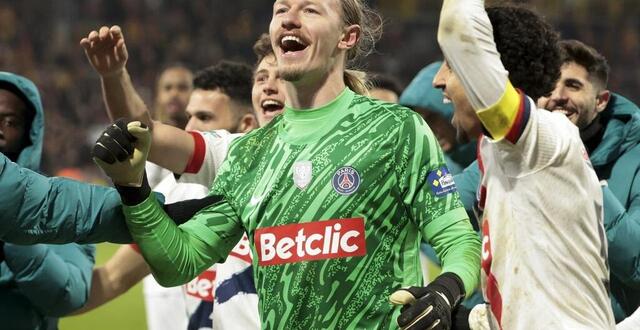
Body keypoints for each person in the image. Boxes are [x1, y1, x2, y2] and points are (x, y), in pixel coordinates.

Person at [89, 0, 481, 329]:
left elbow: (458, 239)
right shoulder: (248, 154)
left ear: (348, 37)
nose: (290, 18)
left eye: (310, 9)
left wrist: (446, 289)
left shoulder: (395, 130)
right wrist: (133, 189)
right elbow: (179, 262)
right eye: (281, 9)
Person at [434, 1, 614, 328]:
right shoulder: (506, 154)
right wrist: (460, 319)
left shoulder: (543, 138)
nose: (438, 80)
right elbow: (537, 294)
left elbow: (459, 25)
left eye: (451, 65)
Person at [78, 61, 262, 330]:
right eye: (190, 116)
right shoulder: (173, 194)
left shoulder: (274, 192)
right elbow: (113, 277)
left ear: (246, 124)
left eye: (205, 118)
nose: (190, 128)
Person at [537, 39, 640, 323]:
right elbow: (455, 200)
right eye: (549, 85)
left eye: (573, 85)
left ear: (601, 101)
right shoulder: (521, 152)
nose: (557, 95)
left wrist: (586, 181)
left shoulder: (636, 159)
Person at [0, 72, 96, 329]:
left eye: (10, 122)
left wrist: (15, 239)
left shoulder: (58, 204)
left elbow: (70, 293)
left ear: (29, 132)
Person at [400, 61, 475, 175]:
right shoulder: (430, 173)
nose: (428, 131)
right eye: (420, 124)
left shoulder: (495, 148)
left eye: (432, 118)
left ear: (450, 107)